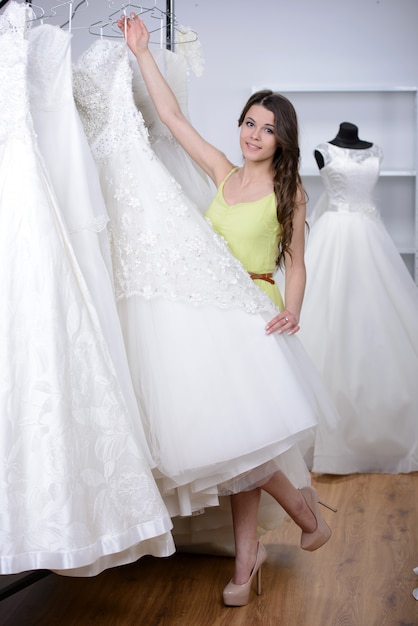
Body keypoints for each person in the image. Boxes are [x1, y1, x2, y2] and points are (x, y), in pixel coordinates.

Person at [109, 14, 338, 607]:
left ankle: (257, 552)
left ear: (283, 138)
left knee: (248, 442)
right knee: (239, 443)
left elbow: (297, 261)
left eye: (266, 129)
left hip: (254, 316)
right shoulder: (223, 172)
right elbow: (173, 119)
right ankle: (283, 532)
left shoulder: (288, 191)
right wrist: (141, 54)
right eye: (248, 123)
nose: (253, 135)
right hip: (211, 315)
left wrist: (294, 309)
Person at [299, 122, 418, 474]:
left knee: (375, 324)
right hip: (335, 235)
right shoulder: (324, 149)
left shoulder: (375, 150)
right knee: (328, 316)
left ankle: (378, 432)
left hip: (370, 238)